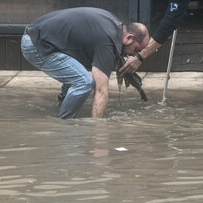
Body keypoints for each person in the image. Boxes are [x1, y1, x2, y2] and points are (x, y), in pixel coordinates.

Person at [21, 7, 149, 119]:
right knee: (84, 82)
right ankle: (62, 125)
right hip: (34, 45)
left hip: (37, 35)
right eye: (136, 51)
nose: (133, 56)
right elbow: (101, 91)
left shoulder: (114, 25)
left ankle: (61, 105)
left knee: (77, 73)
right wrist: (98, 134)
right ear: (129, 38)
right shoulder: (107, 42)